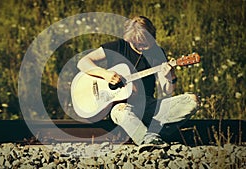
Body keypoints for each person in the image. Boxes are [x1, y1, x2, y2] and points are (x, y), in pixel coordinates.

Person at [76, 16, 198, 145]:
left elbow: (167, 91)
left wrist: (170, 76)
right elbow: (83, 62)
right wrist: (105, 74)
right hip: (121, 107)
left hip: (147, 107)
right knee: (122, 112)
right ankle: (148, 138)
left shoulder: (157, 53)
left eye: (144, 43)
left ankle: (148, 134)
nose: (141, 47)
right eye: (136, 43)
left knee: (191, 101)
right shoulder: (118, 47)